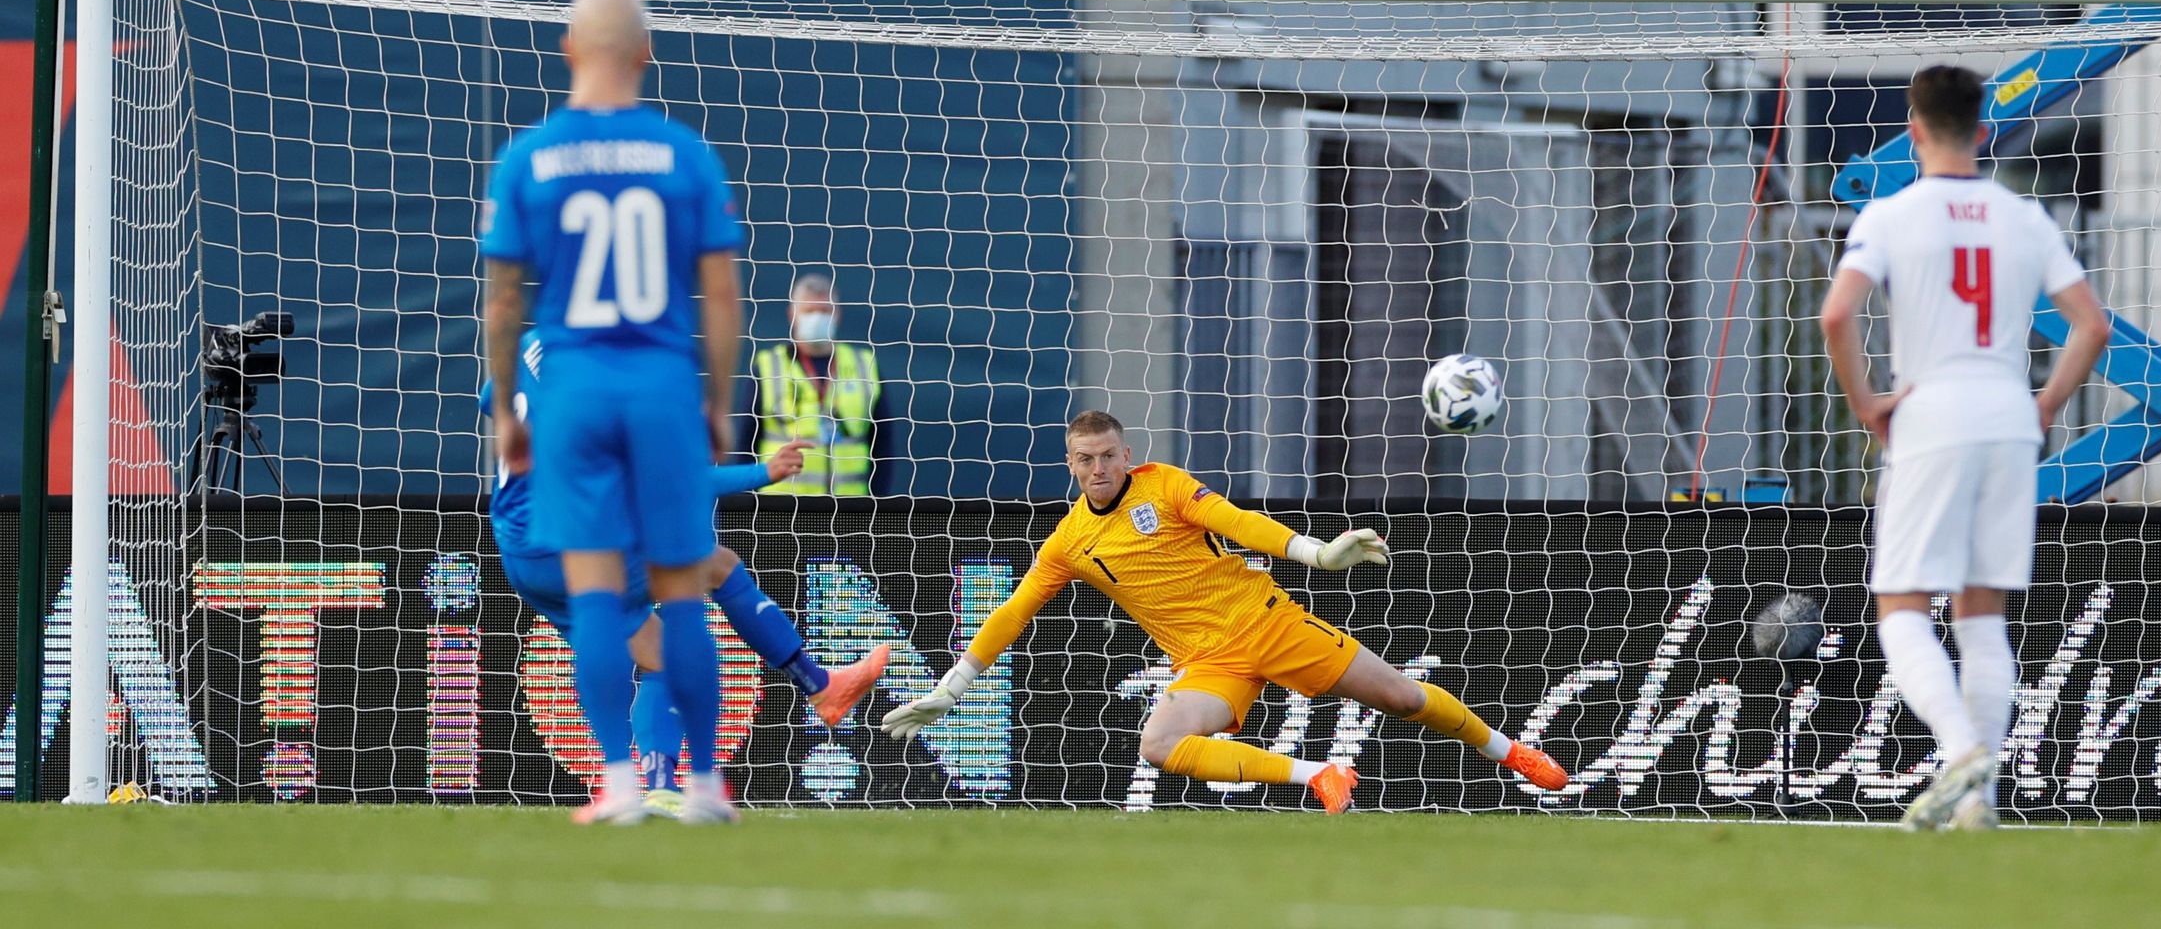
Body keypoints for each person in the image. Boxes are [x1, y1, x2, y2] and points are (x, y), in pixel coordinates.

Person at [880, 410, 1568, 813]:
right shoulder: (1069, 542)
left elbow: (1239, 522)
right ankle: (1320, 776)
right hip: (1208, 662)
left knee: (1402, 696)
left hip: (1267, 621)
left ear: (1127, 454)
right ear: (1070, 463)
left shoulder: (1168, 487)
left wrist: (1317, 554)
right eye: (1085, 459)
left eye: (1108, 456)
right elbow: (1013, 611)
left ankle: (1513, 754)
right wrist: (951, 690)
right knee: (1159, 745)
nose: (1098, 468)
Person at [1820, 63, 2110, 831]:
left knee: (1902, 607)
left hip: (1932, 414)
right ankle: (1977, 805)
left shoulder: (1891, 214)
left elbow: (1836, 315)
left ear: (1914, 130)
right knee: (1982, 614)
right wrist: (2045, 402)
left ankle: (1958, 753)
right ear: (1984, 131)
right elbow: (2093, 325)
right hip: (2009, 417)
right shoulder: (2024, 216)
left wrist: (1866, 404)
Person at [479, 0, 744, 824]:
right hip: (660, 380)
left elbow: (501, 303)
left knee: (594, 593)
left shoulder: (528, 156)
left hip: (575, 388)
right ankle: (702, 785)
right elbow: (720, 291)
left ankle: (621, 786)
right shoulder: (683, 153)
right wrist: (721, 404)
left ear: (566, 51)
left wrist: (507, 415)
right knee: (679, 591)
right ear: (645, 55)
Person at [479, 331, 891, 820]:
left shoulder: (535, 343)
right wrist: (764, 473)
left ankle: (657, 786)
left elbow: (492, 400)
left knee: (659, 659)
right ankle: (818, 688)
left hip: (517, 553)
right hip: (563, 542)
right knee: (715, 565)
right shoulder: (607, 381)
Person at [744, 273, 883, 495]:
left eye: (825, 311)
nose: (818, 318)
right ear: (792, 315)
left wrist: (878, 502)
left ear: (837, 314)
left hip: (851, 506)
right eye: (809, 311)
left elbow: (883, 443)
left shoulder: (864, 364)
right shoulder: (768, 365)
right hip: (779, 508)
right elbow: (746, 442)